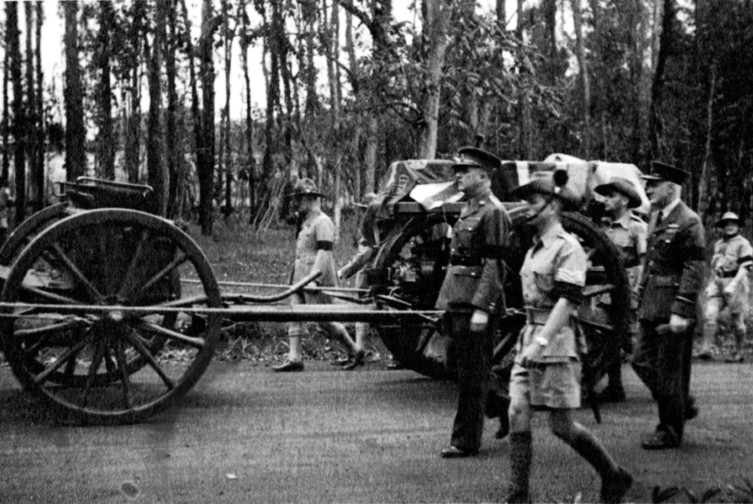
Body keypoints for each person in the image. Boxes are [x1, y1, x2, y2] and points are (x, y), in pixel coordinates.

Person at [503, 169, 632, 504]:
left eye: (532, 202)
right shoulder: (534, 249)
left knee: (562, 426)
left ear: (552, 205)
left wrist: (542, 342)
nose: (526, 209)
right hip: (529, 337)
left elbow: (568, 300)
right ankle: (519, 496)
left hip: (556, 342)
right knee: (517, 410)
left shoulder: (568, 248)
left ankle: (613, 475)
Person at [435, 146, 511, 458]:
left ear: (483, 175)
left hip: (476, 304)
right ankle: (500, 403)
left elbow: (495, 265)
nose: (458, 176)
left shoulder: (493, 212)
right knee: (455, 364)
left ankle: (464, 441)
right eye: (458, 171)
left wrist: (482, 307)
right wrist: (445, 301)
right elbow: (456, 261)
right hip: (458, 298)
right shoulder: (470, 207)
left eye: (464, 171)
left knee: (471, 374)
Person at [633, 160, 705, 450]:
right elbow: (650, 262)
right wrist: (640, 295)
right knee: (640, 361)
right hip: (653, 304)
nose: (648, 188)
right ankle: (680, 402)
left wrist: (681, 309)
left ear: (671, 187)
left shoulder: (689, 221)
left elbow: (695, 268)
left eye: (654, 183)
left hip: (673, 308)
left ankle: (669, 431)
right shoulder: (656, 217)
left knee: (669, 372)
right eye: (648, 182)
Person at [273, 178, 362, 372]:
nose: (297, 203)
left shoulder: (323, 222)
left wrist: (315, 279)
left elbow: (324, 253)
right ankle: (295, 357)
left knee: (323, 320)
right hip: (299, 275)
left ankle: (354, 349)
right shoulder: (306, 222)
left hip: (314, 276)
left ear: (310, 198)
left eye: (300, 199)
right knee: (295, 313)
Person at [592, 177, 647, 402]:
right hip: (606, 290)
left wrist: (637, 290)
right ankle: (615, 386)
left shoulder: (637, 227)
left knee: (633, 343)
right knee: (606, 334)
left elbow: (644, 262)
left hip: (629, 289)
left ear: (624, 200)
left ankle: (664, 386)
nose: (605, 200)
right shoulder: (602, 227)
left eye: (611, 195)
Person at [697, 211, 753, 363]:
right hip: (719, 281)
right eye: (726, 224)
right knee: (710, 314)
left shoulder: (743, 243)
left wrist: (733, 284)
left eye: (733, 224)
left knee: (737, 320)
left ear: (738, 226)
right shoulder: (719, 243)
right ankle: (706, 350)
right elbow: (716, 266)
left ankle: (739, 352)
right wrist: (712, 283)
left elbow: (745, 267)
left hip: (736, 282)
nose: (729, 227)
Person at [337, 192, 380, 370]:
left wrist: (344, 271)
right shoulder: (370, 227)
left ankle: (362, 350)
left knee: (362, 311)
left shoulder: (373, 228)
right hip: (367, 271)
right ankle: (361, 349)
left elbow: (365, 254)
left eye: (364, 210)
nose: (362, 213)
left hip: (368, 272)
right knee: (363, 312)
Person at [0, 180, 14, 247]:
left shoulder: (5, 190)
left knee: (3, 227)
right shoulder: (5, 189)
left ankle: (3, 243)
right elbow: (10, 200)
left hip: (2, 212)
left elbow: (9, 199)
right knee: (3, 228)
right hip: (2, 212)